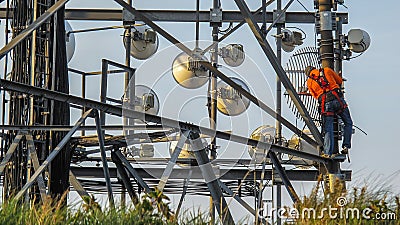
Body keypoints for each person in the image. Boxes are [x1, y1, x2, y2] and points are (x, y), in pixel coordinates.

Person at [304, 66, 353, 157]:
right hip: (338, 100)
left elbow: (315, 96)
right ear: (314, 68)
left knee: (328, 128)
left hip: (325, 104)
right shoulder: (327, 70)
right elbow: (339, 81)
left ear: (308, 74)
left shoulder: (309, 82)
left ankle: (328, 152)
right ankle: (346, 146)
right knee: (348, 122)